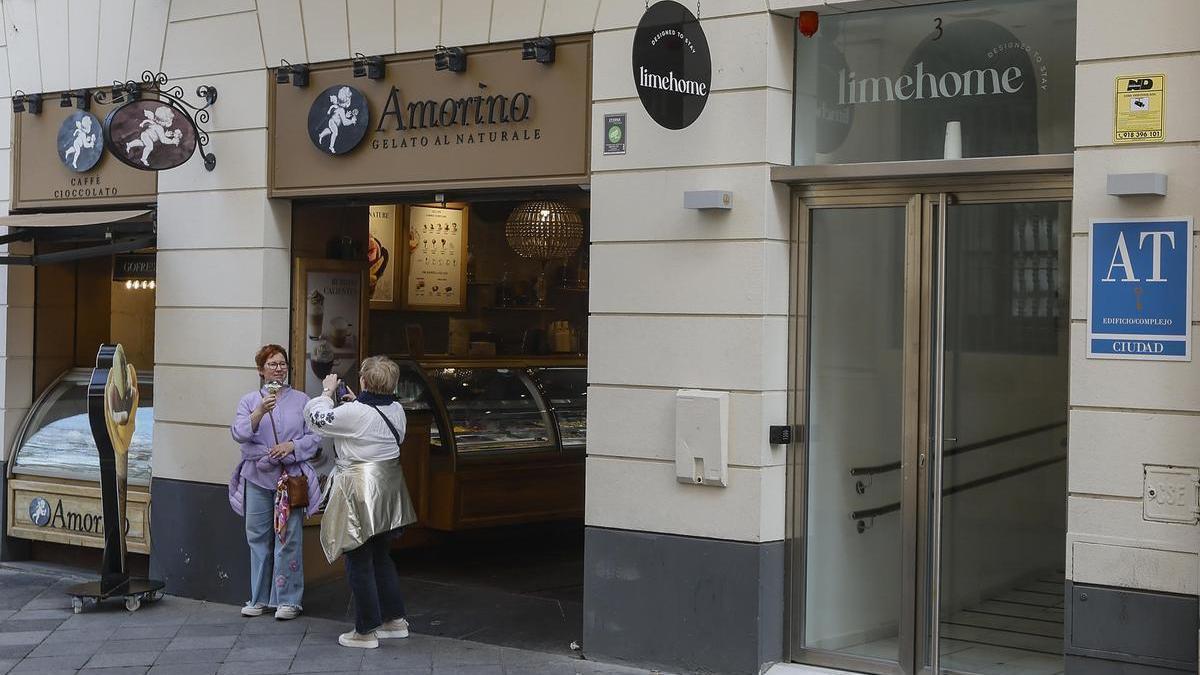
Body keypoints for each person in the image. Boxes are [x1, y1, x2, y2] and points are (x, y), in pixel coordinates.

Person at [304, 355, 416, 649]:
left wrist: (327, 393)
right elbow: (382, 430)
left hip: (359, 489)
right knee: (380, 555)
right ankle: (395, 620)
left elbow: (316, 419)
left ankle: (365, 631)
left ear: (365, 381)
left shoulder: (354, 413)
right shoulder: (397, 410)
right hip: (388, 487)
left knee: (357, 558)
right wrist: (356, 402)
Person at [229, 344, 321, 620]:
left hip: (290, 479)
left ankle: (289, 600)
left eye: (282, 364)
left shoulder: (302, 400)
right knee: (257, 537)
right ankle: (258, 598)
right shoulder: (248, 401)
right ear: (260, 370)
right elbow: (238, 433)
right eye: (272, 364)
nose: (279, 368)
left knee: (288, 537)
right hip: (257, 477)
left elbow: (315, 438)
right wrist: (258, 412)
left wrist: (292, 446)